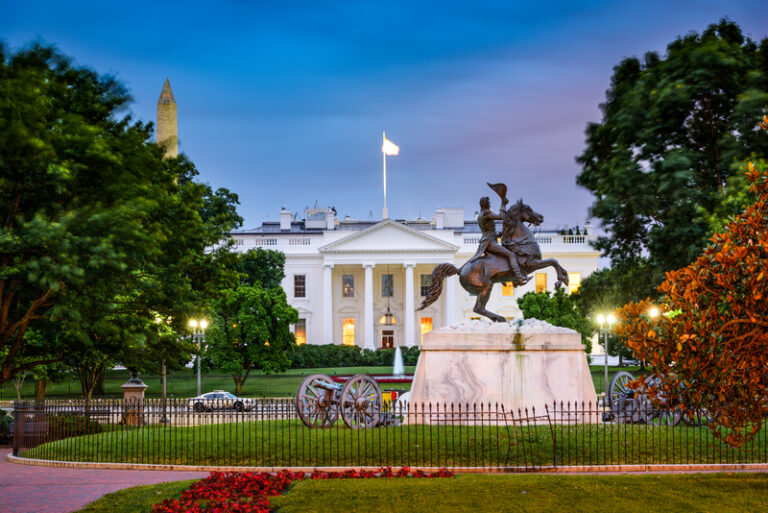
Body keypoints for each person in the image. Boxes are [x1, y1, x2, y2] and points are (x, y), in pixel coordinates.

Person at [467, 196, 529, 285]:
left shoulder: (480, 215)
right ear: (486, 204)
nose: (490, 204)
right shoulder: (486, 213)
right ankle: (519, 277)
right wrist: (503, 204)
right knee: (511, 255)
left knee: (503, 256)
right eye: (488, 203)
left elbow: (487, 231)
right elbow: (501, 216)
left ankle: (505, 278)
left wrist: (497, 235)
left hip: (487, 241)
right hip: (490, 243)